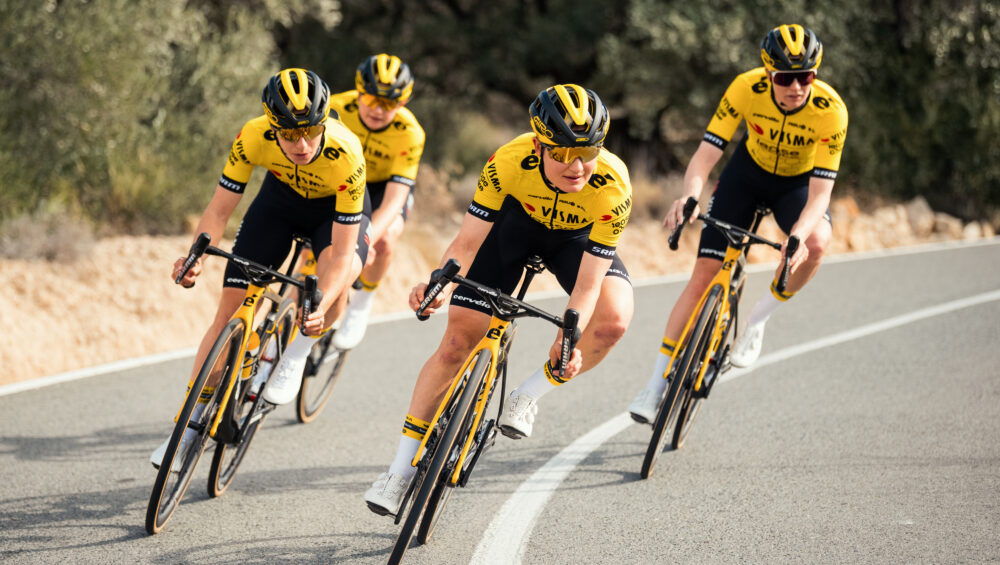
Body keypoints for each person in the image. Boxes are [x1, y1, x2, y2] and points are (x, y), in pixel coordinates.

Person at [364, 84, 635, 517]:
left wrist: (570, 338)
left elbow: (586, 287)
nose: (578, 166)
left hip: (575, 242)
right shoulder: (509, 160)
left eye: (589, 151)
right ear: (540, 144)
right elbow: (467, 243)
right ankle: (398, 472)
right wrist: (440, 284)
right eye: (563, 153)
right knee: (457, 343)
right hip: (513, 230)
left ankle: (526, 395)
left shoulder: (612, 184)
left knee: (614, 320)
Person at [150, 68, 370, 470]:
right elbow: (218, 210)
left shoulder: (347, 151)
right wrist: (195, 256)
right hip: (280, 202)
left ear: (324, 123)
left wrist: (320, 304)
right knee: (228, 314)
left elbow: (340, 254)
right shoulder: (252, 135)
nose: (302, 144)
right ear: (272, 127)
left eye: (311, 131)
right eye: (288, 135)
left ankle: (294, 356)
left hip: (331, 214)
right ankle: (187, 426)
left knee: (337, 285)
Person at [628, 24, 849, 423]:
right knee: (703, 276)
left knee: (816, 243)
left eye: (806, 77)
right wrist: (691, 195)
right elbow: (706, 154)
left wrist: (796, 236)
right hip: (747, 175)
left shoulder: (831, 111)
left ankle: (757, 320)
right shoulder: (746, 88)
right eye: (785, 77)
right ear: (768, 74)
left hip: (796, 186)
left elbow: (820, 196)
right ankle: (655, 385)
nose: (797, 87)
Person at [327, 53, 426, 350]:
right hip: (342, 178)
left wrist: (369, 237)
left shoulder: (410, 133)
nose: (378, 110)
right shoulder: (335, 108)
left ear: (403, 103)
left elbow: (396, 200)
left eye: (389, 104)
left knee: (386, 238)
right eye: (371, 99)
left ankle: (364, 299)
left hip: (384, 189)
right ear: (359, 92)